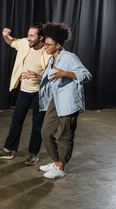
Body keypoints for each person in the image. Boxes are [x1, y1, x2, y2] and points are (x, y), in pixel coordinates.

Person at [26, 22, 91, 179]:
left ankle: (61, 167)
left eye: (49, 44)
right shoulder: (51, 60)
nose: (46, 47)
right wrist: (36, 76)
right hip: (55, 100)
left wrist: (66, 74)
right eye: (45, 44)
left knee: (66, 135)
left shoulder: (69, 58)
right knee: (46, 132)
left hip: (69, 102)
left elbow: (87, 75)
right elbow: (50, 78)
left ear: (58, 45)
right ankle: (56, 161)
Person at [0, 23, 52, 165]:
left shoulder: (48, 52)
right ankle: (7, 150)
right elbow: (12, 42)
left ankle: (33, 154)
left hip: (40, 93)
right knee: (16, 120)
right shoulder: (25, 43)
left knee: (37, 124)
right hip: (24, 91)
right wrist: (6, 36)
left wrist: (36, 76)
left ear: (41, 37)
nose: (28, 38)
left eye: (32, 35)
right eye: (28, 34)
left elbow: (52, 78)